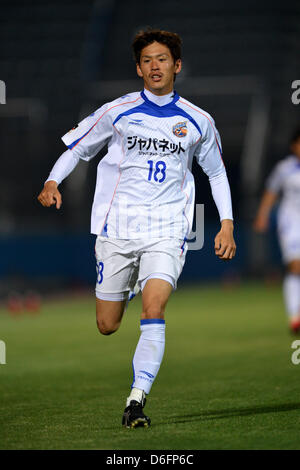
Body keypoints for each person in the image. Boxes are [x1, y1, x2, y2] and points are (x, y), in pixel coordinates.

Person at [37, 28, 236, 428]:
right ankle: (124, 284)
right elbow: (76, 148)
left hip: (168, 227)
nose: (155, 66)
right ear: (139, 68)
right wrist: (52, 180)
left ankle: (136, 400)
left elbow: (216, 173)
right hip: (118, 228)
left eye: (162, 59)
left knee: (154, 307)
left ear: (176, 66)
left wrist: (227, 224)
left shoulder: (198, 120)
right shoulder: (119, 111)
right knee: (107, 325)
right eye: (147, 60)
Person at [253, 127, 300, 334]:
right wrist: (263, 215)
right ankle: (294, 316)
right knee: (295, 267)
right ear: (293, 146)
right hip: (291, 223)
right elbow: (271, 192)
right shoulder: (285, 168)